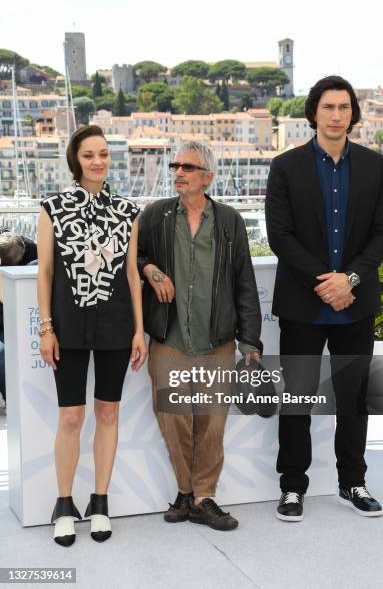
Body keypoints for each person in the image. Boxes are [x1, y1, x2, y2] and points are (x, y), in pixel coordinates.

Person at [265, 76, 383, 521]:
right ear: (313, 113)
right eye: (328, 107)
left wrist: (351, 280)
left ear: (353, 114)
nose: (336, 115)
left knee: (354, 398)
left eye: (344, 107)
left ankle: (353, 482)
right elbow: (279, 235)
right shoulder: (286, 167)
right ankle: (292, 487)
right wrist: (327, 282)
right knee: (297, 398)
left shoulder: (375, 167)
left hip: (356, 305)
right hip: (305, 304)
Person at [138, 140, 262, 531]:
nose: (178, 172)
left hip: (218, 339)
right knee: (173, 419)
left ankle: (201, 497)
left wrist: (251, 342)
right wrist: (151, 270)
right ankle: (186, 491)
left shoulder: (229, 221)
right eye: (175, 166)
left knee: (211, 422)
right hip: (169, 336)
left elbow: (245, 281)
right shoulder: (156, 215)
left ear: (207, 176)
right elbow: (136, 255)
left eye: (188, 167)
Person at [37, 125, 147, 547]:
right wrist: (46, 327)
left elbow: (132, 276)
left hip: (117, 324)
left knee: (107, 413)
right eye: (89, 155)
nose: (98, 161)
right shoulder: (53, 206)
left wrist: (139, 330)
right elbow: (45, 272)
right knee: (71, 416)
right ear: (75, 160)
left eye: (103, 154)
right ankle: (64, 503)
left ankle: (100, 502)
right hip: (67, 325)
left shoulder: (127, 209)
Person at [0, 232, 38, 408]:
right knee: (3, 352)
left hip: (17, 316)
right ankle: (13, 402)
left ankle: (15, 402)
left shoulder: (33, 253)